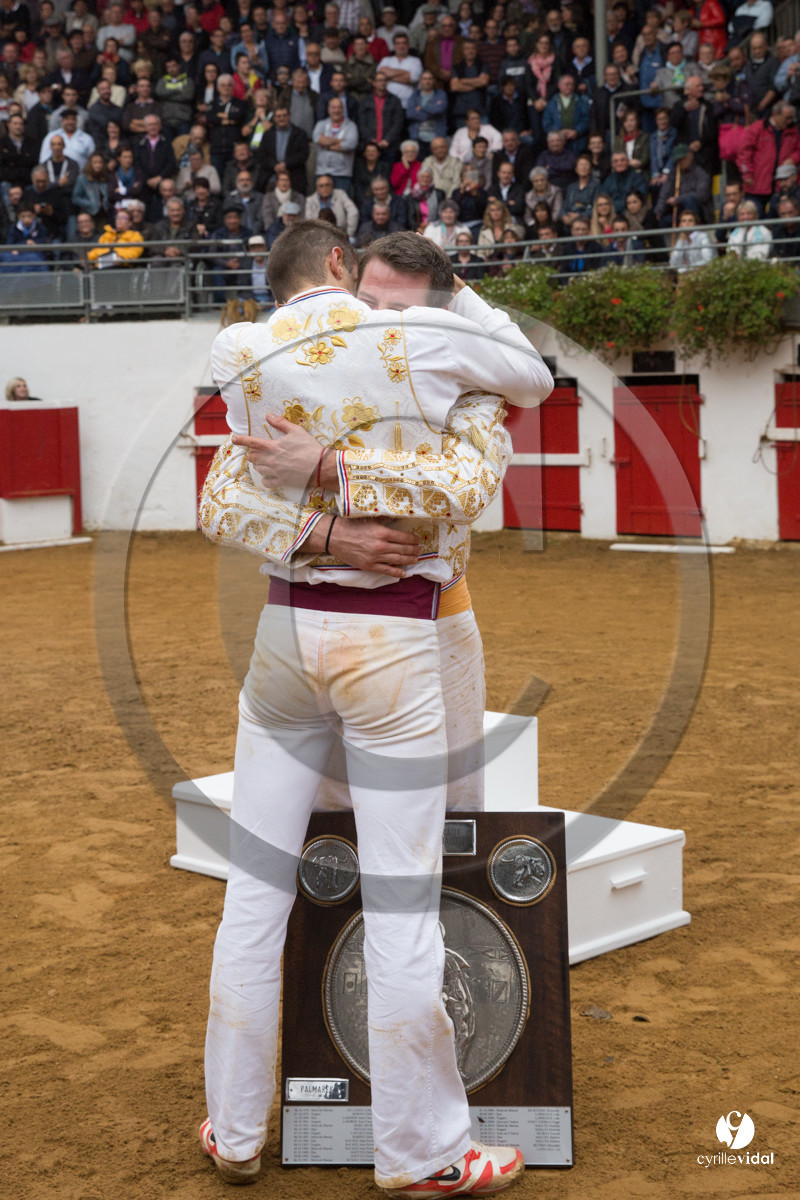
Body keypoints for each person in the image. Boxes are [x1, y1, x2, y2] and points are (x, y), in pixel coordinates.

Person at [198, 223, 553, 1191]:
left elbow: (222, 496)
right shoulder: (430, 346)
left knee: (252, 892)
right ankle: (419, 1150)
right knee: (404, 901)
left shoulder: (246, 355)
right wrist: (346, 514)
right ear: (345, 269)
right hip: (396, 635)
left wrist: (316, 508)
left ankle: (232, 1133)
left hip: (283, 635)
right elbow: (491, 450)